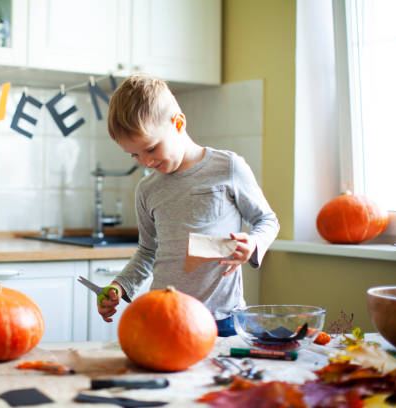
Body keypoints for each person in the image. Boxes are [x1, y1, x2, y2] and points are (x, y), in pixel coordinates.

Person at [98, 73, 280, 337]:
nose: (145, 162)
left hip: (222, 319)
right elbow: (148, 251)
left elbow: (268, 220)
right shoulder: (147, 190)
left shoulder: (227, 168)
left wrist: (253, 244)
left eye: (151, 149)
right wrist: (120, 285)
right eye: (134, 155)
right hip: (166, 318)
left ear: (178, 122)